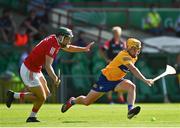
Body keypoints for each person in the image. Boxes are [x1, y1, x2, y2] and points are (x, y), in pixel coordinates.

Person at [6, 27, 94, 122]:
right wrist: (55, 78)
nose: (69, 41)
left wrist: (84, 49)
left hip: (35, 69)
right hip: (29, 70)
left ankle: (14, 96)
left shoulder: (55, 39)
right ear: (60, 37)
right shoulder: (53, 46)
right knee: (41, 97)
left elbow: (68, 47)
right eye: (67, 38)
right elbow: (48, 66)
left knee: (46, 94)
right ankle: (31, 116)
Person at [61, 38, 154, 119]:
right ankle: (72, 101)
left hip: (117, 80)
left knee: (131, 86)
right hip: (105, 80)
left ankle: (130, 110)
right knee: (86, 101)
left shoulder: (135, 56)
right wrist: (145, 79)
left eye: (138, 49)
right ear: (129, 48)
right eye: (134, 48)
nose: (137, 51)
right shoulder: (124, 56)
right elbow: (133, 69)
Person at [100, 26, 126, 104]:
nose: (116, 34)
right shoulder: (109, 42)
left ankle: (120, 99)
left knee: (121, 82)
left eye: (117, 33)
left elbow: (126, 53)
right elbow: (101, 50)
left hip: (121, 67)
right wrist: (106, 59)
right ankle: (110, 100)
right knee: (109, 82)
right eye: (115, 33)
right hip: (111, 66)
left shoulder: (123, 43)